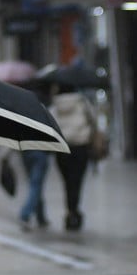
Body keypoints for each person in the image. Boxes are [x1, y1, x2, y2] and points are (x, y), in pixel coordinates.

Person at [47, 83, 96, 231]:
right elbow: (93, 120)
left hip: (63, 148)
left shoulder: (55, 106)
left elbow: (50, 123)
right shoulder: (83, 102)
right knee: (77, 181)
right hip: (81, 146)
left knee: (67, 181)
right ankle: (74, 211)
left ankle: (69, 211)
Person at [14, 149, 51, 231]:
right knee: (35, 185)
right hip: (40, 152)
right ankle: (25, 214)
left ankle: (40, 216)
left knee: (35, 185)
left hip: (26, 152)